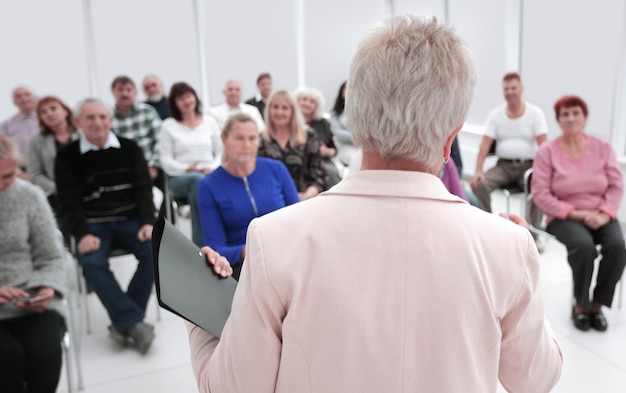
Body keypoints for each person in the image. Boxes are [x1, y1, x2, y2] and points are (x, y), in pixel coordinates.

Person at [187, 15, 562, 392]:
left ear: (354, 117)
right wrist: (523, 273)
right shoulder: (507, 248)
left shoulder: (273, 239)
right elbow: (536, 380)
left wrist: (196, 314)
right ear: (451, 141)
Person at [55, 98, 156, 354]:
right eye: (90, 117)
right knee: (90, 261)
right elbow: (69, 203)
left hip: (130, 219)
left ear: (111, 120)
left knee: (155, 251)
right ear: (78, 122)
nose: (98, 122)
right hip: (92, 223)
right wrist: (82, 233)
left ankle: (126, 321)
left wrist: (147, 222)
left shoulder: (130, 148)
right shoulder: (66, 156)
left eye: (102, 116)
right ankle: (133, 322)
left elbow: (144, 189)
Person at [532, 95, 625, 332]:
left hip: (600, 212)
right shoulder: (547, 151)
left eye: (576, 113)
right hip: (564, 216)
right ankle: (580, 305)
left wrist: (604, 213)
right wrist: (580, 214)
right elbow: (541, 194)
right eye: (565, 114)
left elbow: (616, 185)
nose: (571, 118)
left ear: (584, 117)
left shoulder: (602, 147)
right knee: (584, 247)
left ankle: (597, 305)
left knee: (617, 246)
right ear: (558, 120)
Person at [0, 135, 67, 393]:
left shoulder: (29, 195)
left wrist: (47, 287)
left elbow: (51, 254)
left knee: (44, 357)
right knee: (7, 358)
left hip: (31, 296)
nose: (5, 185)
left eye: (10, 175)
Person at [197, 113, 299, 280]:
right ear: (224, 139)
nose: (246, 145)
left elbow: (298, 218)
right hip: (244, 266)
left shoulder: (276, 170)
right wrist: (248, 250)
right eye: (239, 138)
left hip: (287, 255)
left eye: (252, 138)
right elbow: (216, 248)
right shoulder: (208, 186)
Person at [470, 72, 548, 250]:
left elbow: (544, 147)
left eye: (513, 88)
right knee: (479, 184)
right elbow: (484, 145)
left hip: (528, 166)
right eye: (506, 88)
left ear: (520, 89)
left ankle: (532, 235)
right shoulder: (496, 115)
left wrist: (543, 171)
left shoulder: (535, 113)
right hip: (503, 166)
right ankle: (489, 227)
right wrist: (478, 171)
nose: (510, 91)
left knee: (539, 187)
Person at [159, 82, 222, 247]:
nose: (186, 101)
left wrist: (212, 168)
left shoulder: (210, 122)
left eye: (188, 96)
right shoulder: (168, 126)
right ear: (174, 103)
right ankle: (201, 244)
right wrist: (188, 168)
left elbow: (221, 152)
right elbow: (166, 161)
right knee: (197, 180)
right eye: (181, 98)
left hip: (211, 174)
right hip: (181, 178)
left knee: (207, 183)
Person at [110, 75, 166, 217]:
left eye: (128, 89)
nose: (124, 93)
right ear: (113, 92)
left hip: (151, 168)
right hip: (121, 171)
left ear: (135, 92)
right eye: (120, 90)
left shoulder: (148, 112)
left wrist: (153, 165)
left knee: (164, 191)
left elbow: (161, 141)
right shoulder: (108, 117)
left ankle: (163, 231)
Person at [257, 89, 326, 200]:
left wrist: (307, 195)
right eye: (275, 107)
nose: (279, 112)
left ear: (293, 111)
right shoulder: (260, 139)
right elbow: (257, 178)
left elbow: (319, 176)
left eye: (285, 108)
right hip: (271, 202)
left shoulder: (308, 136)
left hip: (304, 201)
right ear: (268, 109)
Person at [26, 96, 79, 215]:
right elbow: (35, 175)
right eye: (43, 112)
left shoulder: (82, 133)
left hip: (88, 194)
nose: (49, 114)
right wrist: (58, 188)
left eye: (53, 108)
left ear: (65, 111)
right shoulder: (36, 142)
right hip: (57, 199)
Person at [295, 86, 342, 189]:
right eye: (304, 100)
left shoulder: (323, 123)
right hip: (297, 160)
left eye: (312, 102)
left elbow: (334, 150)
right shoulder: (290, 122)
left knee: (331, 173)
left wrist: (327, 151)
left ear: (316, 106)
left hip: (321, 161)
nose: (307, 103)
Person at [0, 86, 39, 177]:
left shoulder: (49, 118)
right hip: (23, 172)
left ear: (34, 97)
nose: (24, 99)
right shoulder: (6, 125)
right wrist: (17, 173)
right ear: (14, 102)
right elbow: (3, 152)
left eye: (27, 94)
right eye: (18, 96)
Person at [328, 80, 359, 167]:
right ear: (342, 92)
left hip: (364, 149)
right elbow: (337, 133)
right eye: (346, 88)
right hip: (345, 148)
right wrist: (359, 137)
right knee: (356, 160)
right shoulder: (335, 114)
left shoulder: (365, 112)